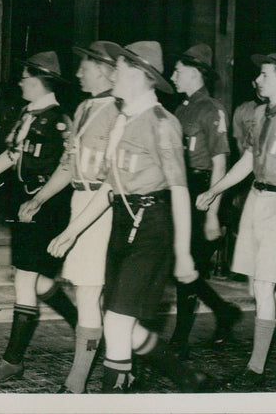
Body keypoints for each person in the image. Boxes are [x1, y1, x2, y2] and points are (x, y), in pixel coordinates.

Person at [47, 41, 210, 393]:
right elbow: (110, 184)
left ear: (140, 74)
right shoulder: (123, 118)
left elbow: (179, 189)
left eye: (118, 69)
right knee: (118, 318)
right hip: (123, 222)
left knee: (118, 324)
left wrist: (183, 254)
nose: (113, 75)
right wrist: (73, 231)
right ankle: (183, 374)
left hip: (152, 225)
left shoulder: (161, 123)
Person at [0, 51, 79, 383]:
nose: (20, 83)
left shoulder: (60, 119)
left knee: (25, 279)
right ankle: (85, 327)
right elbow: (13, 154)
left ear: (41, 81)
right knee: (38, 281)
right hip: (25, 201)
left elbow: (68, 167)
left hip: (47, 203)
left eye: (25, 78)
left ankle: (12, 361)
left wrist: (40, 199)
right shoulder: (28, 113)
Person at [196, 51, 276, 390]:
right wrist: (216, 190)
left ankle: (255, 372)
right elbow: (248, 159)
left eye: (265, 75)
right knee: (257, 286)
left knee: (263, 286)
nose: (257, 80)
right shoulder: (258, 113)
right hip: (257, 201)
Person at [18, 41, 120, 393]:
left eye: (85, 67)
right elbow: (68, 164)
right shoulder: (84, 109)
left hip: (101, 208)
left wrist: (76, 228)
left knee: (91, 295)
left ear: (105, 70)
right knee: (90, 295)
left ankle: (76, 384)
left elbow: (111, 177)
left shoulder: (118, 112)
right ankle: (124, 364)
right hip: (80, 201)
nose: (78, 73)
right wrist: (41, 198)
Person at [168, 44, 241, 356]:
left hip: (202, 192)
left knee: (189, 266)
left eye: (178, 71)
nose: (172, 76)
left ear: (196, 74)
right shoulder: (181, 108)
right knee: (181, 266)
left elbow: (220, 163)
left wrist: (212, 214)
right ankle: (224, 311)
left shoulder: (212, 109)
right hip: (181, 190)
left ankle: (179, 343)